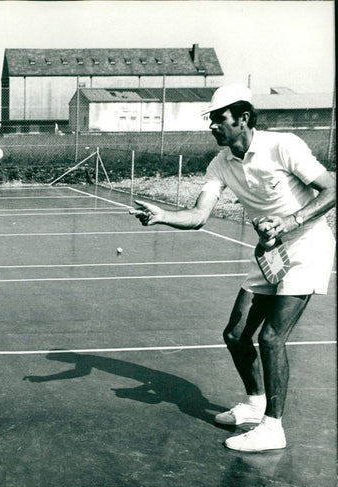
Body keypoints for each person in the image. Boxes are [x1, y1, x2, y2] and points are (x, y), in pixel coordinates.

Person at [131, 84, 336, 452]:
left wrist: (290, 221)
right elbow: (198, 216)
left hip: (307, 244)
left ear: (243, 118)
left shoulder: (283, 145)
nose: (213, 125)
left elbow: (331, 189)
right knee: (236, 335)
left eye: (219, 118)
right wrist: (162, 216)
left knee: (271, 337)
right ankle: (255, 404)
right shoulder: (220, 164)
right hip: (270, 252)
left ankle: (273, 428)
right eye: (211, 119)